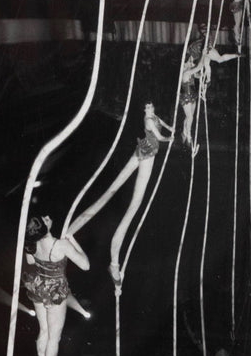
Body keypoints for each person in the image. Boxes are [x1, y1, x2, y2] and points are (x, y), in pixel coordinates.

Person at [67, 103, 174, 286]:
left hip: (141, 151)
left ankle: (70, 231)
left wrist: (169, 127)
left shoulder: (153, 115)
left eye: (150, 106)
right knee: (134, 205)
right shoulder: (148, 119)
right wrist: (169, 138)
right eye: (147, 108)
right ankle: (114, 264)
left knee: (112, 191)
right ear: (145, 111)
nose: (149, 109)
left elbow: (159, 122)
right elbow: (158, 135)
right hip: (146, 156)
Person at [23, 215, 90, 356]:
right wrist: (73, 241)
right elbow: (85, 265)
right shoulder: (61, 245)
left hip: (38, 287)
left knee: (44, 330)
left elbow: (31, 261)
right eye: (44, 218)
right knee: (54, 337)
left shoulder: (32, 243)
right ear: (45, 226)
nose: (48, 217)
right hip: (54, 293)